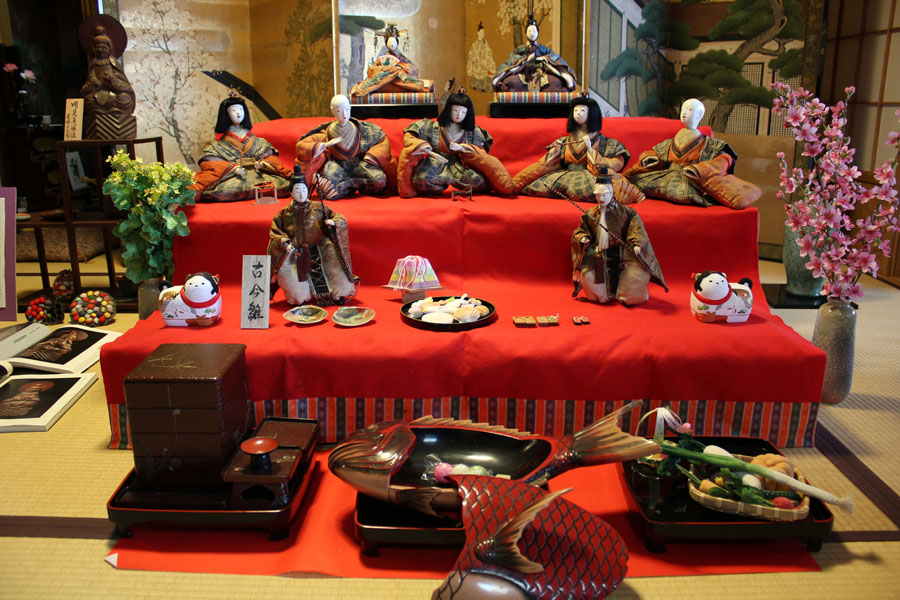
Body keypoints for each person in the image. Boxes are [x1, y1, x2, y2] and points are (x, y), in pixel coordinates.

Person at [623, 98, 762, 209]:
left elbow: (724, 159)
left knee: (683, 192)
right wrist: (649, 159)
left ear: (700, 115)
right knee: (634, 181)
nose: (684, 112)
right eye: (683, 109)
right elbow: (655, 152)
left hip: (690, 177)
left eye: (689, 109)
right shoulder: (670, 141)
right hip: (666, 175)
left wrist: (700, 170)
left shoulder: (710, 145)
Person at [514, 96, 644, 204]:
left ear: (592, 114)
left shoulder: (606, 143)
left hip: (589, 176)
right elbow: (545, 163)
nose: (578, 113)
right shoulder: (564, 141)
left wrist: (592, 152)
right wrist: (553, 154)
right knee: (534, 186)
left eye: (582, 110)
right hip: (565, 174)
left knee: (601, 190)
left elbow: (616, 163)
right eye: (575, 110)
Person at [571, 171, 667, 306]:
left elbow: (637, 231)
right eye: (598, 195)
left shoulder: (628, 213)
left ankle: (625, 294)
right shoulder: (590, 214)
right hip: (599, 256)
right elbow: (581, 230)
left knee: (635, 281)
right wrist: (583, 238)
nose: (601, 198)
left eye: (604, 194)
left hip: (624, 255)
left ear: (611, 193)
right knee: (590, 280)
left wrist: (637, 244)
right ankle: (604, 296)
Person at [398, 89, 514, 197]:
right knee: (420, 180)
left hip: (460, 165)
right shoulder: (430, 127)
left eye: (463, 112)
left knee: (479, 183)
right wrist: (422, 145)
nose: (459, 115)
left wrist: (464, 148)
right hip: (435, 163)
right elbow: (410, 136)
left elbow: (481, 153)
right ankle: (439, 188)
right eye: (456, 110)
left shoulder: (474, 132)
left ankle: (458, 188)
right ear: (449, 109)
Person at [268, 167, 358, 306]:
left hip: (322, 249)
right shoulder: (284, 214)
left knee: (336, 267)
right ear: (291, 192)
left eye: (304, 189)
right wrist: (284, 242)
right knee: (296, 287)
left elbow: (338, 217)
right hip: (297, 254)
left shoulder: (318, 208)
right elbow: (275, 231)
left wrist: (334, 222)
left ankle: (339, 294)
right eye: (297, 190)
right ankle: (301, 298)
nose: (301, 193)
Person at [190, 95, 293, 202]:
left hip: (259, 173)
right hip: (235, 176)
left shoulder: (259, 142)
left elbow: (271, 157)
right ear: (226, 114)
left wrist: (263, 164)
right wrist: (233, 168)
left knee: (283, 186)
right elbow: (213, 164)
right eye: (233, 110)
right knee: (222, 192)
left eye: (241, 109)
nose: (238, 113)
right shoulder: (218, 147)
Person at [296, 94, 396, 200]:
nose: (344, 114)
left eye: (347, 109)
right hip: (338, 166)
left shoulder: (365, 130)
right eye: (339, 111)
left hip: (359, 165)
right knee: (325, 189)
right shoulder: (326, 133)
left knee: (379, 181)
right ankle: (347, 186)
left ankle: (348, 186)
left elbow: (382, 140)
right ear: (333, 111)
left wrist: (372, 156)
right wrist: (321, 146)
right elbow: (302, 145)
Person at [492, 14, 577, 92]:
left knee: (556, 82)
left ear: (538, 33)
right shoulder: (521, 49)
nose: (532, 34)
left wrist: (543, 58)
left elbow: (553, 55)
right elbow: (513, 57)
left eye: (534, 31)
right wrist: (524, 60)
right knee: (510, 81)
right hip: (524, 72)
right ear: (525, 33)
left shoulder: (542, 48)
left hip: (540, 73)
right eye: (529, 31)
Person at [80, 25, 137, 139]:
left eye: (103, 48)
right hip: (98, 95)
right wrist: (94, 84)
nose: (100, 50)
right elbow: (86, 87)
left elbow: (125, 84)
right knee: (88, 100)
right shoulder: (93, 64)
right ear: (93, 49)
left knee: (125, 98)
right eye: (97, 48)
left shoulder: (113, 62)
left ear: (109, 48)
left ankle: (121, 125)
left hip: (114, 94)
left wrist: (113, 81)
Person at [349, 25, 434, 98]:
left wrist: (400, 69)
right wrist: (385, 70)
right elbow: (372, 71)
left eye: (394, 42)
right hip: (384, 85)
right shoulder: (381, 58)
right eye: (390, 42)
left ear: (397, 42)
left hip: (400, 83)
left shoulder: (401, 58)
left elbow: (413, 69)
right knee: (381, 77)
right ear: (386, 43)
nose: (392, 44)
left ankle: (423, 86)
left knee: (403, 78)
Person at [19, 330, 84, 363]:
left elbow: (63, 346)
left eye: (73, 337)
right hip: (34, 353)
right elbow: (42, 344)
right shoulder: (56, 340)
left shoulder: (66, 346)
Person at [466, 22, 494, 93]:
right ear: (478, 33)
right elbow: (471, 54)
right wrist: (476, 60)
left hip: (484, 67)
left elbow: (488, 53)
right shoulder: (475, 44)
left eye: (483, 33)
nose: (482, 34)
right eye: (481, 32)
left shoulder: (485, 43)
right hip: (477, 68)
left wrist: (486, 60)